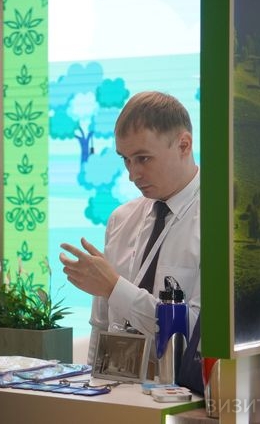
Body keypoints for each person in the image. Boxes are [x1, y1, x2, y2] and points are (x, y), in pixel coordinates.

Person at [59, 91, 200, 365]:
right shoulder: (121, 219)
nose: (132, 174)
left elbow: (195, 334)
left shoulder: (219, 223)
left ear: (184, 145)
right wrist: (93, 383)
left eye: (143, 158)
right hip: (116, 385)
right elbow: (101, 325)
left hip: (184, 388)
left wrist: (114, 287)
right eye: (125, 159)